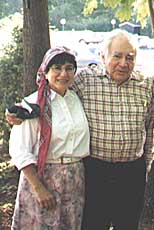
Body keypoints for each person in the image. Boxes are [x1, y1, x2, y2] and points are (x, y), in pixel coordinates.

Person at [7, 31, 154, 230]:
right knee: (92, 224)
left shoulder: (145, 84)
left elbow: (150, 126)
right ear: (103, 57)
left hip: (126, 173)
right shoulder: (83, 81)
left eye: (130, 57)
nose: (123, 63)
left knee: (126, 225)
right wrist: (13, 114)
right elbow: (46, 93)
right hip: (94, 171)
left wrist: (144, 166)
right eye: (117, 56)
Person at [8, 47, 90, 229]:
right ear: (45, 72)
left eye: (69, 68)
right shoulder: (32, 105)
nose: (63, 74)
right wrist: (38, 188)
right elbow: (19, 150)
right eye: (57, 68)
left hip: (74, 178)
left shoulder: (76, 99)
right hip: (42, 178)